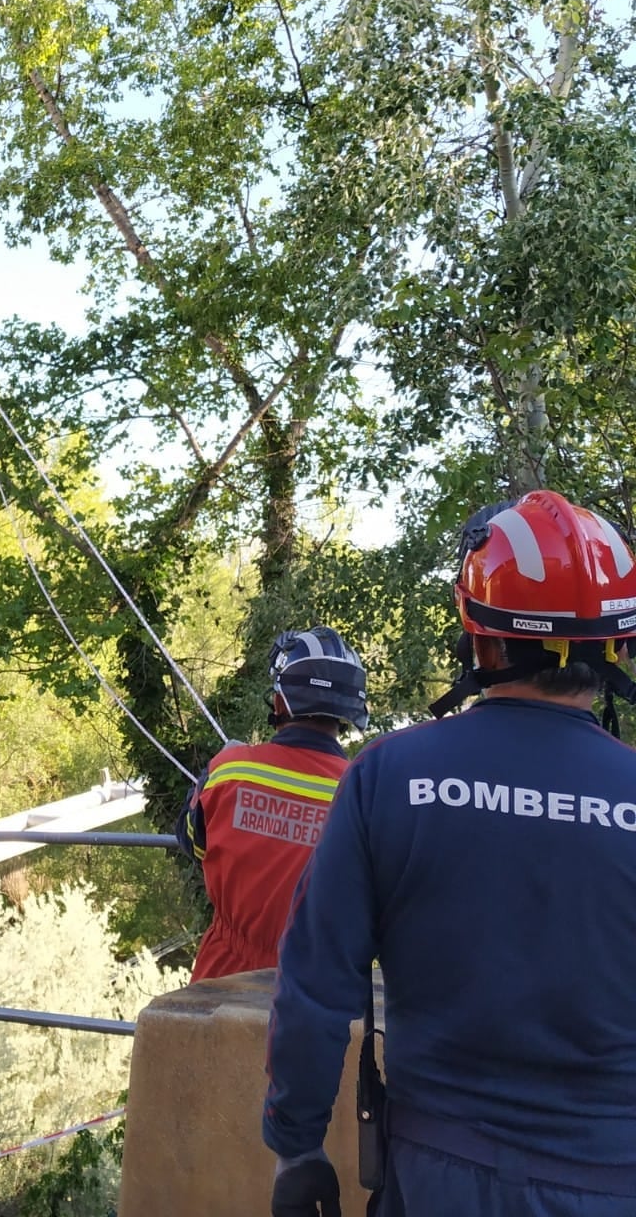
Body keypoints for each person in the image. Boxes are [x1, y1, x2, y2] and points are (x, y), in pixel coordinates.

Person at [262, 490, 636, 1217]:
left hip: (434, 1178)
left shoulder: (388, 777)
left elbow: (313, 988)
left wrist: (298, 1148)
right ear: (616, 648)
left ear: (481, 640)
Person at [176, 626, 367, 981]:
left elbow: (191, 839)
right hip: (319, 991)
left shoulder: (230, 769)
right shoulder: (364, 792)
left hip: (224, 980)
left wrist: (209, 776)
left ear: (280, 702)